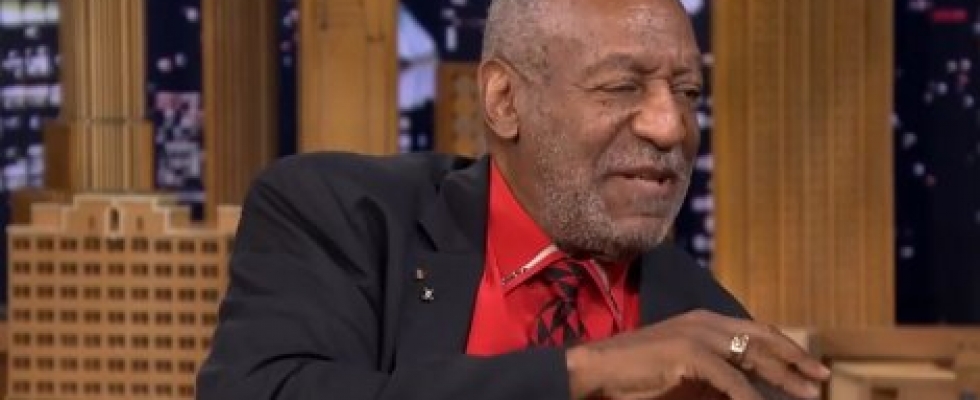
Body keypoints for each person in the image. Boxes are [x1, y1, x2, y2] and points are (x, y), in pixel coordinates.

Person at [197, 0, 830, 398]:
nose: (671, 127)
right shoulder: (341, 215)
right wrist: (583, 373)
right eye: (622, 86)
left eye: (687, 92)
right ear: (503, 100)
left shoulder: (708, 323)